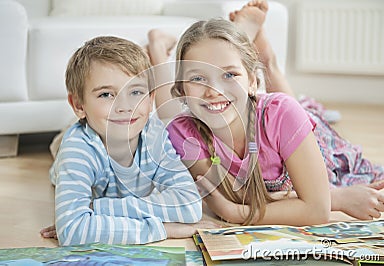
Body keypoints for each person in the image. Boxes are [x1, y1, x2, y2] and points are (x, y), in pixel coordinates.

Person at [147, 0, 384, 225]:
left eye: (229, 74)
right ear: (182, 87)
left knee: (292, 109)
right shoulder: (182, 132)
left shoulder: (281, 113)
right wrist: (332, 199)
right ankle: (160, 48)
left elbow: (315, 209)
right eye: (197, 78)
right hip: (250, 121)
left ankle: (260, 52)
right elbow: (239, 194)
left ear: (253, 82)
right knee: (173, 117)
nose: (213, 91)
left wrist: (237, 214)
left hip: (310, 142)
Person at [40, 35, 217, 246]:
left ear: (151, 100)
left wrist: (97, 208)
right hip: (76, 140)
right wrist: (164, 229)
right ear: (78, 104)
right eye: (106, 94)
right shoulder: (78, 149)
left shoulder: (153, 135)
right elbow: (72, 231)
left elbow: (190, 205)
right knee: (60, 145)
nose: (124, 106)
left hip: (107, 126)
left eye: (135, 92)